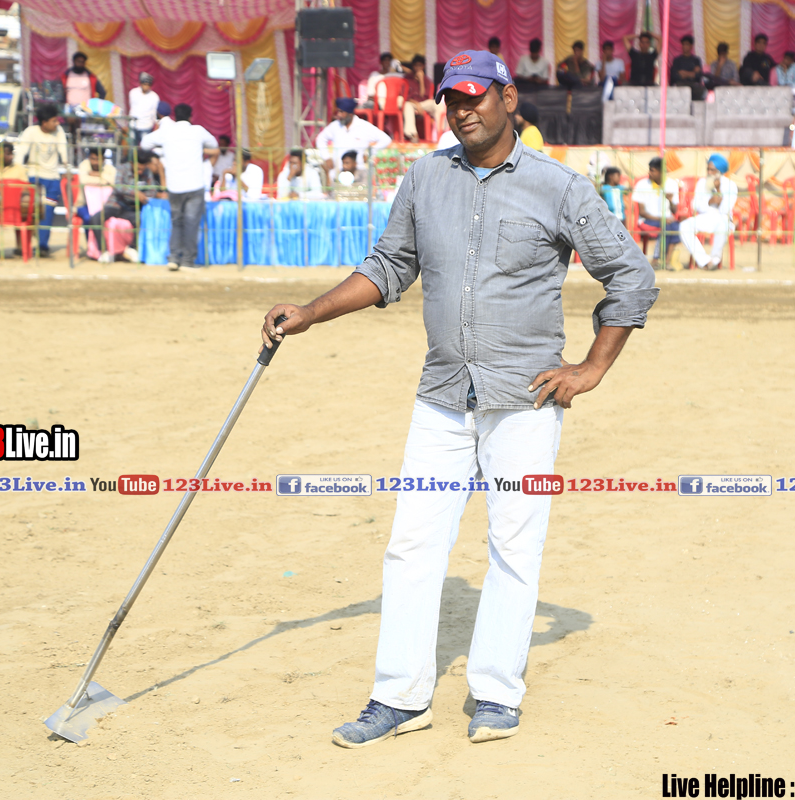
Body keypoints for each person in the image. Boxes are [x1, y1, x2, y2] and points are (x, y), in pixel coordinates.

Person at [262, 49, 657, 749]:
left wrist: (593, 367)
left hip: (525, 401)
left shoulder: (559, 187)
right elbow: (389, 267)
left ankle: (497, 693)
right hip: (442, 395)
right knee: (411, 546)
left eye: (475, 95)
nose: (463, 110)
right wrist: (311, 313)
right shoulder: (424, 178)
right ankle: (399, 698)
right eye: (451, 99)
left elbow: (630, 276)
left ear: (508, 98)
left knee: (514, 547)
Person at [140, 103, 219, 270]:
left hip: (174, 186)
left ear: (174, 117)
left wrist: (162, 144)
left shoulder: (167, 132)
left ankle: (174, 258)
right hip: (194, 186)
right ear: (190, 117)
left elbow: (145, 143)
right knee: (191, 224)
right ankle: (187, 261)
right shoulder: (197, 131)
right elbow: (213, 144)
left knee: (176, 222)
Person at [15, 102, 69, 257]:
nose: (57, 123)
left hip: (53, 179)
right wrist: (18, 174)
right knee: (29, 212)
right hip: (34, 177)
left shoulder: (59, 131)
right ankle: (24, 246)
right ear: (44, 122)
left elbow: (63, 152)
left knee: (48, 212)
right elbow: (20, 153)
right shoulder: (30, 132)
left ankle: (42, 246)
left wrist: (66, 168)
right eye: (54, 120)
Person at [679, 154, 737, 271]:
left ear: (720, 171)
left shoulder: (730, 185)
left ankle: (714, 260)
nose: (709, 172)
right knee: (684, 226)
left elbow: (725, 210)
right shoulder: (702, 183)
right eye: (708, 169)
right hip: (706, 217)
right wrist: (709, 202)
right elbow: (695, 205)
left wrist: (719, 190)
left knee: (723, 225)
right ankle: (704, 261)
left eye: (712, 170)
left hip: (723, 218)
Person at [314, 97, 392, 183]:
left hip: (359, 173)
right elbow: (320, 139)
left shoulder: (363, 126)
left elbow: (386, 139)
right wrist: (326, 157)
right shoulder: (335, 126)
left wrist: (369, 153)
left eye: (341, 112)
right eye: (338, 112)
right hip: (338, 172)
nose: (339, 115)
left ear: (350, 114)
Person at [101, 146, 155, 263]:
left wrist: (144, 196)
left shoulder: (147, 172)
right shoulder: (122, 168)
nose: (140, 172)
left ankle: (132, 249)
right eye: (138, 169)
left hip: (131, 209)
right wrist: (135, 193)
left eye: (142, 169)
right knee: (96, 219)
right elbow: (118, 186)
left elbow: (152, 191)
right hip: (115, 205)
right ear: (131, 163)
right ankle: (104, 251)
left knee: (141, 219)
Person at [632, 156, 680, 267]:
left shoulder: (672, 184)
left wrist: (670, 200)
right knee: (666, 226)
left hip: (667, 219)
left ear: (661, 172)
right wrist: (662, 219)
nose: (649, 173)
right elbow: (642, 213)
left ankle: (666, 261)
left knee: (677, 227)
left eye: (652, 170)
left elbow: (674, 210)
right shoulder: (642, 184)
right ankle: (656, 260)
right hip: (647, 220)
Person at [74, 147, 117, 261]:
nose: (95, 162)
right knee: (89, 218)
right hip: (83, 205)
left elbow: (114, 181)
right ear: (89, 158)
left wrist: (96, 174)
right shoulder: (84, 165)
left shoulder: (109, 168)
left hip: (104, 206)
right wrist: (103, 179)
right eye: (93, 159)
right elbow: (84, 180)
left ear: (103, 159)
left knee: (110, 220)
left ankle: (106, 250)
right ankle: (92, 249)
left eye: (98, 159)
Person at [403, 54, 439, 143]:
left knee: (437, 104)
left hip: (424, 104)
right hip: (412, 103)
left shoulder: (427, 80)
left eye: (420, 65)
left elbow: (424, 96)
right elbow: (405, 97)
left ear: (423, 66)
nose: (418, 68)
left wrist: (421, 80)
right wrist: (417, 104)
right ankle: (413, 134)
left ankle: (440, 132)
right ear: (413, 66)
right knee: (407, 106)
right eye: (416, 65)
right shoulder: (407, 78)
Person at [670, 35, 705, 100]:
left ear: (691, 46)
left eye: (687, 44)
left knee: (702, 90)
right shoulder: (677, 60)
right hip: (680, 84)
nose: (684, 46)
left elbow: (699, 76)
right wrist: (692, 73)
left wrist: (683, 73)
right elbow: (675, 76)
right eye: (683, 44)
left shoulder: (696, 60)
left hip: (693, 85)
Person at [128, 72, 160, 142]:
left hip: (146, 126)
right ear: (141, 83)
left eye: (148, 85)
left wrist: (156, 125)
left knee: (145, 147)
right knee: (132, 146)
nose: (146, 87)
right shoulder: (133, 93)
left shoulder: (154, 97)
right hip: (133, 125)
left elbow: (155, 112)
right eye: (145, 84)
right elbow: (132, 107)